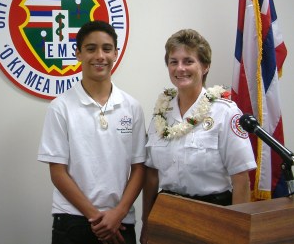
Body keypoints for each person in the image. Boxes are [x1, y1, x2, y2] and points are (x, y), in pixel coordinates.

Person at [140, 29, 257, 244]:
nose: (180, 68)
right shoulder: (161, 114)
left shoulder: (225, 113)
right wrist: (147, 222)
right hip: (167, 214)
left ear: (205, 67)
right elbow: (151, 175)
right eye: (173, 61)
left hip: (213, 215)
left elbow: (241, 181)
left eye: (188, 61)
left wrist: (237, 233)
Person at [38, 20, 146, 244]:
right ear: (78, 53)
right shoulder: (60, 107)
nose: (99, 56)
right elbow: (57, 172)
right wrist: (97, 218)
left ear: (116, 53)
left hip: (120, 219)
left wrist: (118, 213)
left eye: (106, 49)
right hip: (73, 220)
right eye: (90, 48)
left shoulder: (132, 107)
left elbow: (139, 168)